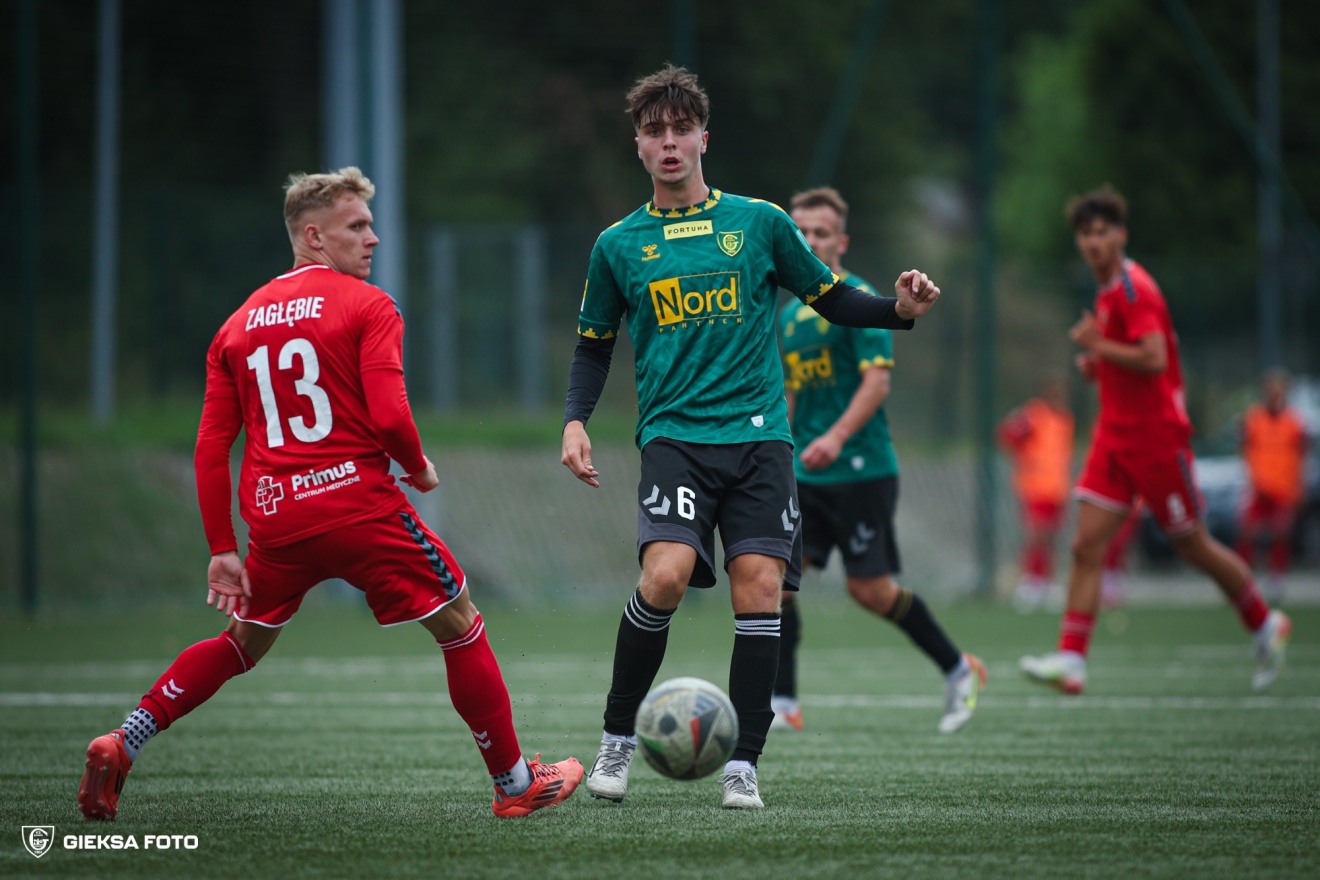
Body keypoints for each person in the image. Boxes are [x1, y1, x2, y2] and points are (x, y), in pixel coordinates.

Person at [77, 167, 582, 822]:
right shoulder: (369, 306)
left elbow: (210, 449)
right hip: (359, 509)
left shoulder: (235, 326)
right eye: (357, 226)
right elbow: (392, 417)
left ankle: (125, 739)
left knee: (240, 643)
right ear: (313, 236)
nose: (373, 238)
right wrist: (417, 466)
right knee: (461, 626)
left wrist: (222, 547)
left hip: (277, 520)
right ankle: (515, 784)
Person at [560, 66, 941, 809]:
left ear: (704, 138)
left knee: (761, 588)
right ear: (638, 145)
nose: (670, 144)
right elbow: (593, 345)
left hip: (761, 440)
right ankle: (616, 741)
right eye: (655, 132)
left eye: (682, 130)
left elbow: (832, 299)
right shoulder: (618, 244)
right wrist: (576, 419)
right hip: (674, 437)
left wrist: (897, 311)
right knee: (664, 577)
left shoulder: (760, 223)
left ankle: (743, 766)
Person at [1019, 185, 1291, 694]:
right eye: (1086, 233)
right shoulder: (1106, 291)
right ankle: (1071, 659)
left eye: (1103, 231)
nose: (1094, 241)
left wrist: (1100, 347)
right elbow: (1133, 358)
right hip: (1114, 438)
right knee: (1085, 545)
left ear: (1121, 235)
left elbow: (1155, 357)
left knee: (1192, 545)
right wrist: (1099, 364)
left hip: (1157, 441)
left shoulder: (1132, 288)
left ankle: (1263, 621)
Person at [771, 187, 985, 735]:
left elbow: (877, 384)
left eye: (821, 233)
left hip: (861, 470)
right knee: (775, 583)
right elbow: (793, 392)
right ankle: (783, 702)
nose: (809, 241)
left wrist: (836, 438)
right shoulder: (790, 314)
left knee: (870, 591)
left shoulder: (858, 298)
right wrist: (780, 446)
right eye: (800, 232)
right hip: (805, 474)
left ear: (840, 242)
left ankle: (958, 667)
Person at [997, 377, 1075, 610]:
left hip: (1057, 486)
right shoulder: (1032, 415)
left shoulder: (1065, 418)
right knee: (1036, 534)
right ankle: (1031, 581)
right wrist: (1023, 460)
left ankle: (1047, 581)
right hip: (1035, 485)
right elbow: (1008, 436)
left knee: (1051, 536)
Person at [1236, 369, 1311, 601]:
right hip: (1258, 485)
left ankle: (1276, 578)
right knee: (1247, 531)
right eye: (1271, 390)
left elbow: (1303, 455)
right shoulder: (1254, 418)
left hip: (1283, 487)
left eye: (1279, 390)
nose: (1275, 395)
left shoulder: (1294, 421)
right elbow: (1244, 448)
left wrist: (1300, 485)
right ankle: (1242, 577)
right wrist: (1247, 477)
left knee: (1281, 533)